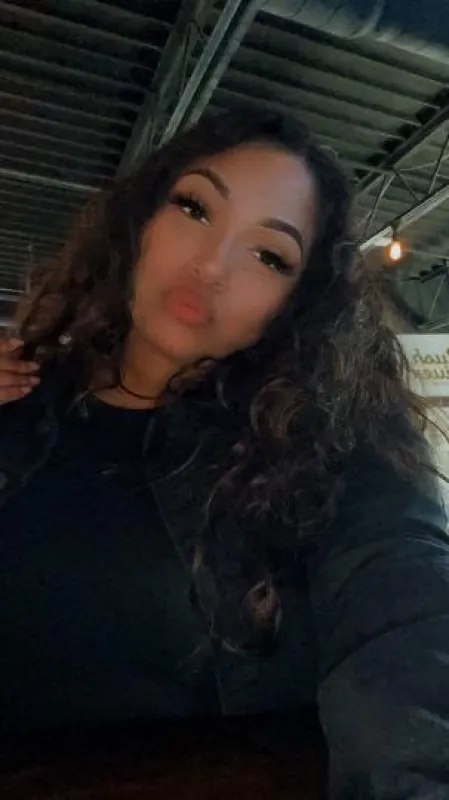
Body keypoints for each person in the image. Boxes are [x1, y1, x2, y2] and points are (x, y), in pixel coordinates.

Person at [0, 108, 448, 800]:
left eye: (269, 256)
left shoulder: (329, 450)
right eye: (194, 208)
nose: (210, 266)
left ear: (295, 304)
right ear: (141, 219)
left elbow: (407, 608)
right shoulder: (22, 408)